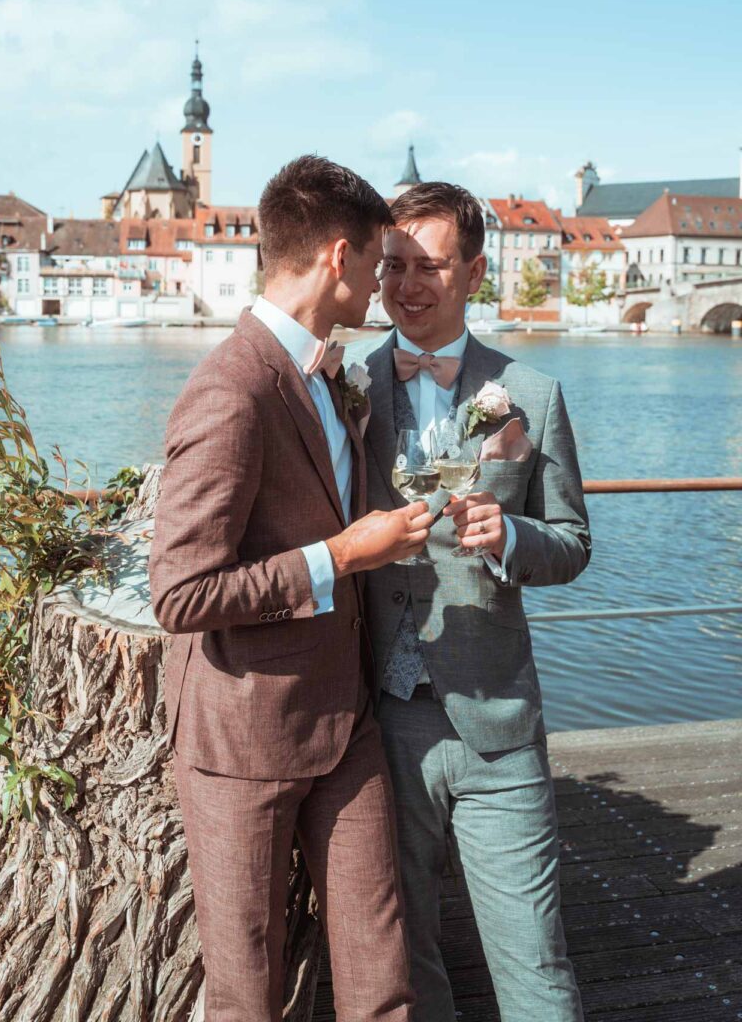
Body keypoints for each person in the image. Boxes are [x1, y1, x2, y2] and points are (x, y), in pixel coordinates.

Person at [149, 155, 433, 1022]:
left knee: (382, 977)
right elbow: (182, 592)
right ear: (339, 258)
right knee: (247, 994)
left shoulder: (327, 374)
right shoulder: (230, 390)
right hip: (242, 740)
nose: (387, 284)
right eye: (382, 261)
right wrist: (341, 556)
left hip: (345, 722)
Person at [346, 181, 591, 1022]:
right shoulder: (341, 386)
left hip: (497, 722)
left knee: (535, 967)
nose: (408, 286)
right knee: (405, 971)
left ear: (476, 272)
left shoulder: (532, 393)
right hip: (375, 723)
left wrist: (513, 538)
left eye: (432, 267)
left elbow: (574, 543)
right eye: (394, 266)